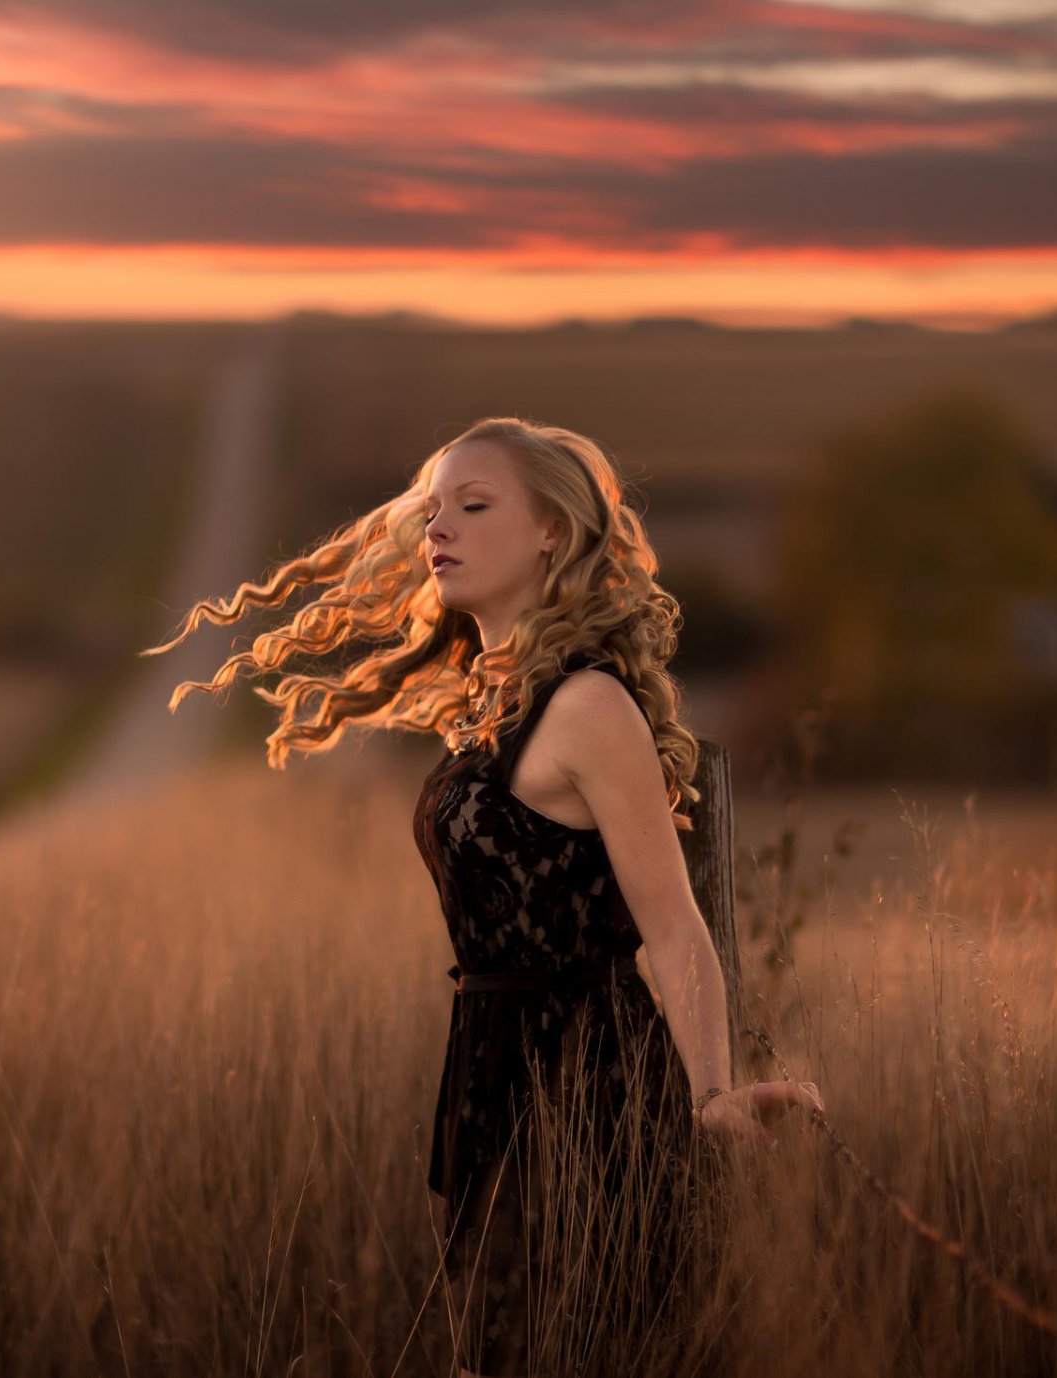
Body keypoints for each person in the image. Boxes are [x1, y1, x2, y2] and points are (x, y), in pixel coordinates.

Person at [144, 416, 823, 1376]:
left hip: (586, 1089)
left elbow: (674, 928)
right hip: (489, 1081)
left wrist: (710, 1094)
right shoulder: (491, 701)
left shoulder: (587, 707)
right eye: (433, 513)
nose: (439, 532)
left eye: (473, 506)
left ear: (552, 530)